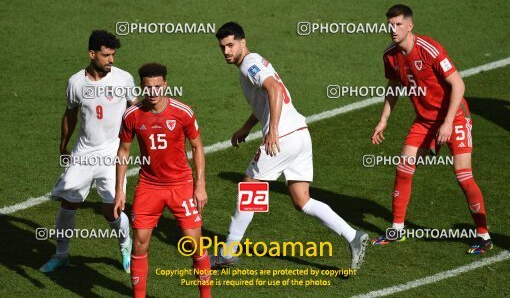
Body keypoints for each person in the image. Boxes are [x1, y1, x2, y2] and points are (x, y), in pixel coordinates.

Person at [210, 22, 368, 270]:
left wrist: (272, 131)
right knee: (302, 200)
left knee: (249, 188)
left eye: (231, 45)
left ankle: (229, 251)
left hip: (282, 137)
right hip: (300, 134)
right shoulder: (255, 63)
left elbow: (273, 89)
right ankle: (353, 236)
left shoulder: (250, 63)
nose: (227, 51)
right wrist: (246, 127)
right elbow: (268, 98)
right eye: (222, 47)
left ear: (243, 41)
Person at [371, 4, 492, 254]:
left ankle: (484, 235)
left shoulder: (429, 49)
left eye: (398, 25)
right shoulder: (390, 55)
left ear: (410, 26)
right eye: (390, 25)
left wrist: (448, 123)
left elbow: (458, 85)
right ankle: (397, 229)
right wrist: (384, 119)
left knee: (463, 175)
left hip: (455, 116)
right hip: (425, 121)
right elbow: (393, 85)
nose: (393, 30)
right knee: (403, 167)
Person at [40, 30, 136, 273]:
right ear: (92, 54)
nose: (111, 60)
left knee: (111, 210)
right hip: (83, 154)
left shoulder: (123, 79)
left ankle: (126, 247)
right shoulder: (76, 83)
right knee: (67, 204)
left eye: (113, 55)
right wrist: (63, 145)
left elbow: (135, 113)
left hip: (112, 155)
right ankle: (62, 255)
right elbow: (70, 115)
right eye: (106, 55)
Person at [113, 63, 211, 298]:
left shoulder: (182, 112)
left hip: (180, 184)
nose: (153, 92)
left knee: (194, 244)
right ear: (142, 87)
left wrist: (200, 185)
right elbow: (123, 152)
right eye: (148, 88)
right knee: (139, 244)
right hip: (149, 186)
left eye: (158, 86)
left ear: (165, 85)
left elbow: (197, 147)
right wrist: (120, 190)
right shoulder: (132, 115)